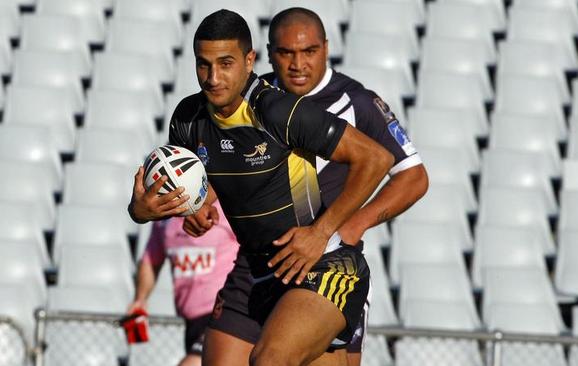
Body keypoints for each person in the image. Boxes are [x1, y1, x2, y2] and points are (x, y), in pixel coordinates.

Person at [128, 9, 394, 366]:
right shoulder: (188, 119)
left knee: (269, 361)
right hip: (255, 272)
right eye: (203, 65)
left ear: (249, 60)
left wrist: (321, 232)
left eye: (225, 63)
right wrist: (155, 212)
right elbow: (203, 188)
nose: (213, 77)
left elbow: (376, 159)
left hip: (322, 266)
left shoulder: (279, 111)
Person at [205, 7, 429, 366]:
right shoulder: (249, 98)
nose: (298, 64)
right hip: (255, 266)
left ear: (325, 48)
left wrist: (347, 226)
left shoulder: (357, 102)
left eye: (309, 51)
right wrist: (204, 202)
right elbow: (223, 159)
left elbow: (414, 177)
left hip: (325, 267)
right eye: (286, 53)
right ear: (267, 52)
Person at [126, 200, 239, 366]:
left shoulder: (225, 206)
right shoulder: (164, 219)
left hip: (225, 312)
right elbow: (151, 260)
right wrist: (140, 299)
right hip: (192, 321)